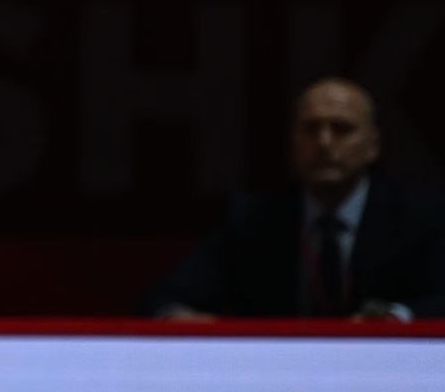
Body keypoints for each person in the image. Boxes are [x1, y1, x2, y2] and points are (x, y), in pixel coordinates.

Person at [151, 78, 445, 320]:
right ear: (292, 141)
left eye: (342, 129)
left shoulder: (420, 218)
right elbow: (165, 299)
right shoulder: (252, 219)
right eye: (310, 129)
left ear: (373, 145)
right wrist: (181, 317)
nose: (324, 143)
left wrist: (396, 317)